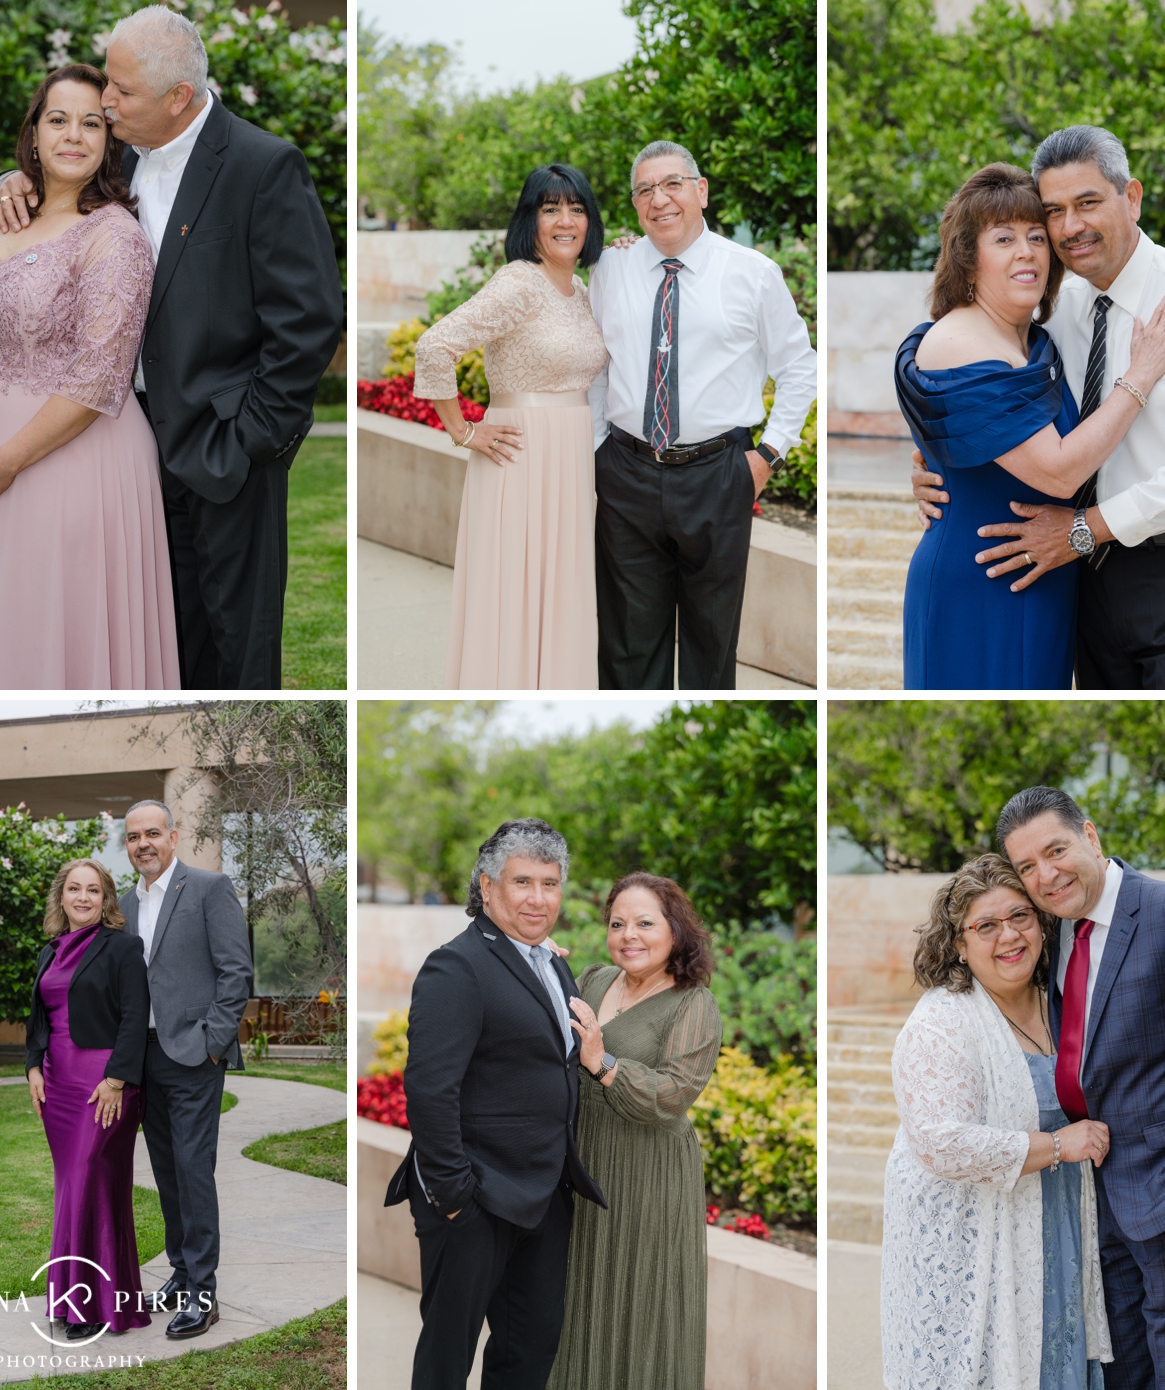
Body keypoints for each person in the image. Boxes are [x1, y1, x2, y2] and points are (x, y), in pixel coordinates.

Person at [0, 5, 344, 689]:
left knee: (237, 650)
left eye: (120, 92)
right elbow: (48, 197)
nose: (104, 103)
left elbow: (310, 320)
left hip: (226, 450)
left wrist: (251, 440)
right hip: (122, 448)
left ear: (179, 98)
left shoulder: (263, 165)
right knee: (155, 644)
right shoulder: (116, 154)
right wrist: (2, 186)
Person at [913, 126, 1165, 689]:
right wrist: (942, 461)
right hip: (1083, 573)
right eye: (1054, 211)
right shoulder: (1058, 308)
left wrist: (1086, 529)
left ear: (1131, 197)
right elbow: (980, 389)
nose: (1070, 228)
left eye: (1088, 203)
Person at [998, 787, 1165, 1390]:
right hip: (1101, 1198)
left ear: (1091, 837)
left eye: (1056, 850)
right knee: (1125, 1374)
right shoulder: (1064, 932)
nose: (1045, 875)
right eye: (1027, 867)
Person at [896, 162, 1165, 689]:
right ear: (968, 257)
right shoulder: (961, 341)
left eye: (1036, 236)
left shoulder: (1031, 338)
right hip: (984, 577)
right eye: (1003, 238)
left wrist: (935, 459)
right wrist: (1139, 376)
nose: (1027, 251)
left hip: (1046, 576)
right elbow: (1057, 474)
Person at [0, 64, 179, 689]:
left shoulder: (115, 236)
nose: (73, 135)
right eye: (58, 119)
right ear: (35, 133)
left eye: (92, 123)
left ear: (111, 141)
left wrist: (8, 460)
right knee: (9, 617)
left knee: (63, 622)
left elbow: (98, 374)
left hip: (76, 459)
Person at [384, 818, 607, 1389]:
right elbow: (431, 1089)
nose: (538, 898)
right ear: (487, 887)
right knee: (446, 1360)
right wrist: (455, 1195)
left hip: (543, 1197)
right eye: (522, 882)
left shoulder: (551, 963)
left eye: (550, 884)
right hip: (475, 1201)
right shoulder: (456, 966)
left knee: (529, 1353)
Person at [586, 140, 817, 690]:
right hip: (626, 473)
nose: (659, 199)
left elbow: (798, 368)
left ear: (701, 191)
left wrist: (766, 456)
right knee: (624, 649)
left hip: (719, 475)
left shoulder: (754, 274)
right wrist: (598, 450)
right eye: (645, 189)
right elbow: (596, 366)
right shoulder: (612, 268)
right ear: (635, 203)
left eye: (672, 184)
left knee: (710, 649)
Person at [881, 853, 1114, 1390]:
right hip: (974, 1247)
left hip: (1056, 1231)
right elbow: (940, 1142)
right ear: (959, 945)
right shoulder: (943, 1019)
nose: (1008, 935)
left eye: (1020, 917)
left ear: (1042, 923)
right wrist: (1059, 1145)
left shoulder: (1062, 1003)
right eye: (985, 925)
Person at [413, 165, 608, 689]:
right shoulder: (519, 282)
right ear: (531, 220)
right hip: (519, 457)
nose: (566, 221)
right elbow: (435, 346)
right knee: (515, 590)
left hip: (570, 461)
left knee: (560, 589)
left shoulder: (583, 291)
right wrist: (464, 431)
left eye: (577, 208)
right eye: (550, 209)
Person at [547, 873, 722, 1390]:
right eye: (618, 923)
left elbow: (673, 1095)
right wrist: (535, 963)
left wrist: (603, 1064)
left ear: (675, 932)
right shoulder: (595, 980)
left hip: (649, 1174)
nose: (630, 935)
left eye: (646, 923)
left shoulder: (693, 1004)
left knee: (642, 1301)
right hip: (585, 1161)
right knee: (578, 1295)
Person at [118, 798, 253, 1339]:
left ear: (174, 837)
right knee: (168, 1168)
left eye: (153, 833)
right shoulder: (125, 904)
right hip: (144, 1057)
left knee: (194, 1168)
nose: (143, 843)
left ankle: (203, 1291)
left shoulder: (208, 888)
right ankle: (180, 1270)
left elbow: (236, 971)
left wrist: (213, 1044)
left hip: (194, 1054)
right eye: (133, 837)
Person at [25, 858, 152, 1341]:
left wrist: (117, 1079)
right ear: (62, 897)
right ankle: (72, 1297)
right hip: (57, 1086)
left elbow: (134, 1016)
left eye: (93, 891)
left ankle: (94, 1306)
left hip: (104, 1086)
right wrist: (33, 1066)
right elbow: (38, 1019)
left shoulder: (122, 948)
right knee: (70, 1187)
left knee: (91, 1182)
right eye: (74, 889)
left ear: (106, 900)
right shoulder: (49, 952)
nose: (83, 898)